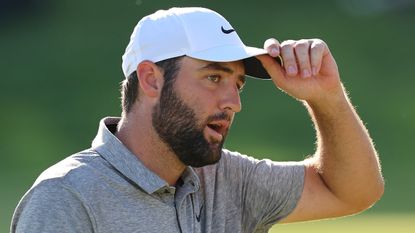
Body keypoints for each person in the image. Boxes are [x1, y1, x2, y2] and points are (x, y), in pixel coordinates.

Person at [11, 7, 384, 233]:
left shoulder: (229, 180)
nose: (233, 102)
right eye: (213, 77)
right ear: (151, 79)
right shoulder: (65, 197)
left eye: (238, 84)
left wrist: (327, 98)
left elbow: (352, 191)